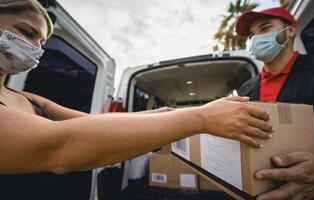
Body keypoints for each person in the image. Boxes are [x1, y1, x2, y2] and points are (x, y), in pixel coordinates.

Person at [0, 0, 273, 199]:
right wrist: (201, 118)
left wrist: (164, 114)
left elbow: (95, 123)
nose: (36, 47)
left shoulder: (26, 97)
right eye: (26, 32)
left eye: (42, 42)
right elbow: (58, 147)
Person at [236, 6, 314, 200]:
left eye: (264, 28)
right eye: (251, 35)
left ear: (291, 30)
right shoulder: (246, 88)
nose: (255, 39)